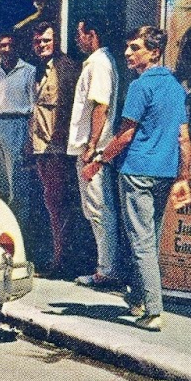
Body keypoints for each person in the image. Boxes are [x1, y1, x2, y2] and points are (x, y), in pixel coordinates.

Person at [85, 26, 191, 332]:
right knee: (149, 238)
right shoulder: (174, 86)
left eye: (135, 48)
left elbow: (126, 135)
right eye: (128, 48)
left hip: (137, 172)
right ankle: (138, 297)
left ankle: (153, 310)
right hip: (165, 172)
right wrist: (183, 176)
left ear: (154, 52)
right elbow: (184, 138)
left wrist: (99, 159)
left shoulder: (140, 87)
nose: (128, 53)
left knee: (141, 240)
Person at [69, 16, 124, 291]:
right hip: (93, 147)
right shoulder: (98, 62)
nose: (77, 39)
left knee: (99, 208)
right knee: (95, 208)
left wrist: (91, 146)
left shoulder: (99, 64)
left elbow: (99, 106)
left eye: (80, 33)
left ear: (92, 34)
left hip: (96, 148)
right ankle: (105, 266)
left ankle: (107, 270)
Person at [27, 20, 79, 276]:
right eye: (37, 41)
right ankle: (57, 259)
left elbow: (70, 111)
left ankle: (61, 263)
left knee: (59, 206)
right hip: (41, 148)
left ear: (56, 41)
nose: (41, 45)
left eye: (46, 40)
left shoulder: (65, 69)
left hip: (56, 149)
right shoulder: (40, 70)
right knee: (50, 204)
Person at [0, 31, 35, 211]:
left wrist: (29, 140)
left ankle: (21, 227)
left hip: (18, 125)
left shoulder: (28, 71)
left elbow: (34, 109)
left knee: (18, 182)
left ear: (17, 47)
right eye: (3, 46)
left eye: (11, 45)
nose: (7, 49)